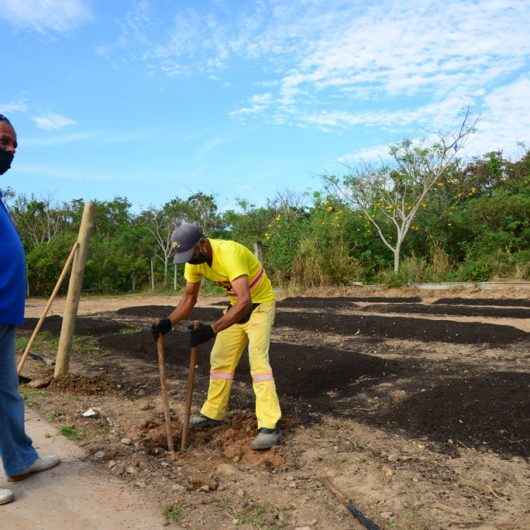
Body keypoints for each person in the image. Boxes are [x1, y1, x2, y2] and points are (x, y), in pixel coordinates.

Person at [152, 220, 282, 450]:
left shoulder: (229, 253)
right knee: (220, 359)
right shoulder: (194, 262)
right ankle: (213, 413)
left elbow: (245, 301)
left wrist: (211, 330)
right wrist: (168, 322)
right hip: (236, 306)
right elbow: (189, 298)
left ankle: (269, 425)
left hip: (259, 305)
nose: (188, 261)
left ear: (202, 244)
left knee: (258, 362)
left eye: (190, 254)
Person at [0, 114, 60, 505]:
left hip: (3, 314)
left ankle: (20, 459)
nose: (11, 149)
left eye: (13, 143)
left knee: (7, 392)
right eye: (3, 141)